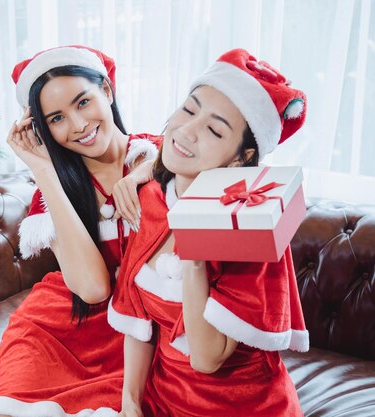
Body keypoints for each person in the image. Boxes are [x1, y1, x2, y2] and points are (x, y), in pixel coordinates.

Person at [108, 48, 309, 417]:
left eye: (214, 129)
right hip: (164, 397)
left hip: (243, 406)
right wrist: (129, 404)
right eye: (188, 109)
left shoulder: (252, 229)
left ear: (240, 159)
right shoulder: (150, 201)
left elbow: (205, 358)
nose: (186, 131)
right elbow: (138, 322)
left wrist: (195, 251)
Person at [0, 46, 162, 417]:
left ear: (107, 91)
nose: (77, 126)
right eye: (57, 118)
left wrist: (146, 174)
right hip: (66, 322)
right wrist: (44, 171)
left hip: (140, 330)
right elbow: (94, 288)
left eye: (83, 102)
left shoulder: (157, 157)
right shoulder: (51, 193)